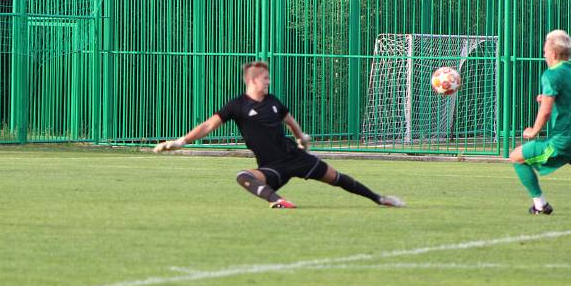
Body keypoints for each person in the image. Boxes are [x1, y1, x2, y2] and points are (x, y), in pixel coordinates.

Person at [154, 61, 406, 209]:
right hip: (271, 167)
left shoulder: (273, 101)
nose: (268, 82)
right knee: (243, 176)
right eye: (265, 79)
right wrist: (181, 142)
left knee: (337, 178)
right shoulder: (237, 106)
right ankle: (279, 201)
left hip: (295, 157)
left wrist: (301, 137)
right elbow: (209, 125)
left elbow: (290, 120)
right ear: (252, 81)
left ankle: (379, 198)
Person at [509, 29, 571, 215]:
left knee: (517, 157)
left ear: (553, 53)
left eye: (545, 50)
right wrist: (546, 98)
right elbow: (569, 101)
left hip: (563, 140)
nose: (544, 53)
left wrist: (534, 131)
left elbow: (545, 113)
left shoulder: (551, 74)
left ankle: (540, 205)